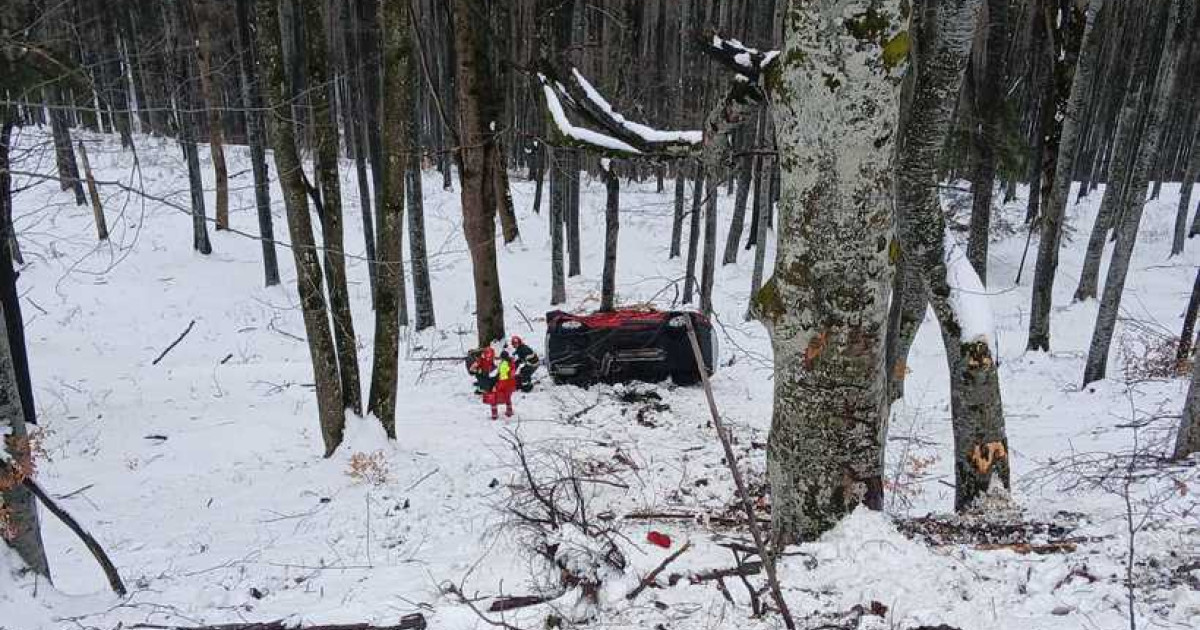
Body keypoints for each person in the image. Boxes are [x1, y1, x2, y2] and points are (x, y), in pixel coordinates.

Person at [489, 351, 517, 419]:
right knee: (508, 397)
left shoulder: (504, 364)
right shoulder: (511, 362)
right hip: (511, 383)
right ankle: (509, 411)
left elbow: (501, 374)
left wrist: (495, 380)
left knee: (494, 397)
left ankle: (494, 414)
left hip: (503, 383)